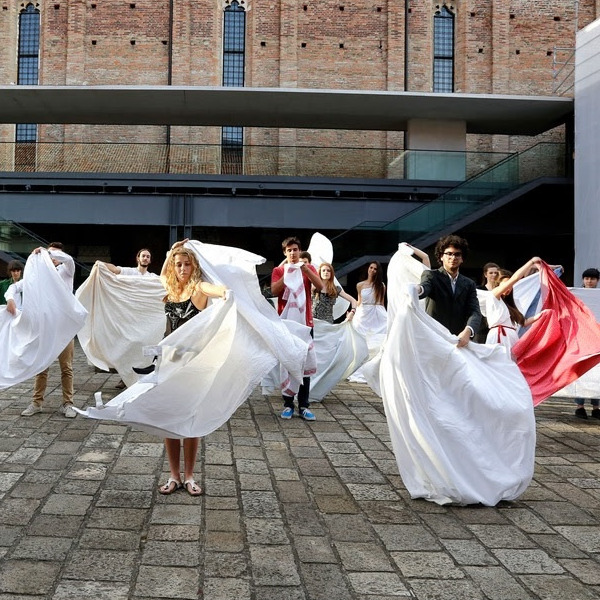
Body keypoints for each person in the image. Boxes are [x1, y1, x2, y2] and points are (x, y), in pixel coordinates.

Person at [157, 239, 227, 496]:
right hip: (168, 362)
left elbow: (216, 289)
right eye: (179, 265)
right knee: (169, 420)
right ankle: (174, 475)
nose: (183, 268)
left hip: (193, 363)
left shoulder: (198, 288)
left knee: (191, 419)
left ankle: (189, 476)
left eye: (187, 264)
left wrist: (226, 292)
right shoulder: (171, 288)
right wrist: (172, 249)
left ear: (194, 266)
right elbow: (165, 271)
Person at [7, 243, 78, 418]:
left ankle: (68, 404)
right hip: (45, 328)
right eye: (52, 255)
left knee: (66, 368)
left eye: (56, 256)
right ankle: (36, 403)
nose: (54, 258)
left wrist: (47, 252)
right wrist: (10, 298)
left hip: (64, 328)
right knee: (41, 367)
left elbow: (67, 259)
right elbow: (16, 287)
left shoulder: (66, 271)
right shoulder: (39, 277)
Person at [271, 236, 323, 420]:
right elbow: (274, 291)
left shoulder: (308, 268)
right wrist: (288, 273)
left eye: (295, 250)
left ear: (300, 251)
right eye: (289, 250)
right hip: (285, 324)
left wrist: (305, 270)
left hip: (305, 323)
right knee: (287, 363)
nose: (293, 253)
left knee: (304, 363)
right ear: (285, 253)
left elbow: (320, 286)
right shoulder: (278, 270)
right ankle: (287, 404)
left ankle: (303, 405)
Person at [418, 234, 482, 347]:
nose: (453, 257)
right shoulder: (431, 276)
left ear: (462, 258)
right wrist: (417, 289)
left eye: (457, 254)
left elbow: (475, 312)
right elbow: (424, 288)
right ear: (441, 256)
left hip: (458, 341)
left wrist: (468, 331)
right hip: (433, 338)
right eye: (449, 254)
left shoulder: (469, 284)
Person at [482, 260, 544, 352]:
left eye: (511, 286)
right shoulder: (493, 296)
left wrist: (542, 315)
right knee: (498, 363)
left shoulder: (512, 303)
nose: (509, 288)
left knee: (513, 364)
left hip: (512, 337)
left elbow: (524, 322)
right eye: (507, 284)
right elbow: (516, 278)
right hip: (499, 336)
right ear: (498, 284)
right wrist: (531, 262)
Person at [347, 260, 387, 384]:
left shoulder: (381, 285)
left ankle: (373, 370)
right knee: (360, 340)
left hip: (376, 313)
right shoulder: (360, 285)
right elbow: (359, 301)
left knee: (377, 341)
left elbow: (381, 302)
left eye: (375, 269)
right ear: (368, 269)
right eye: (371, 268)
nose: (372, 270)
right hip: (363, 313)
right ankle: (357, 368)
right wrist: (353, 313)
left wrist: (386, 316)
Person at [575, 267, 600, 419]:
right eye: (587, 278)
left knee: (597, 372)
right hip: (581, 337)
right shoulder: (577, 295)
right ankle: (580, 406)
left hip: (597, 337)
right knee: (581, 371)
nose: (589, 281)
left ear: (597, 280)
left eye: (592, 278)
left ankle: (596, 406)